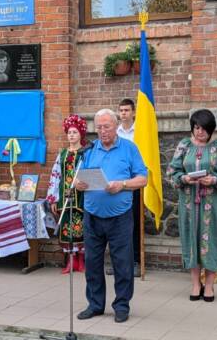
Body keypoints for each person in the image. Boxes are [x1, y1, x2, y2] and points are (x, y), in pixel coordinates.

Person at [75, 109, 147, 323]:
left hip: (120, 216)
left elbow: (142, 179)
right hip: (92, 215)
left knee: (122, 263)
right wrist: (79, 184)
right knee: (93, 262)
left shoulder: (129, 148)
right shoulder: (88, 151)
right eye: (99, 127)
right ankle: (95, 305)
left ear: (116, 126)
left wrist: (122, 184)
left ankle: (122, 305)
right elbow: (79, 179)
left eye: (107, 126)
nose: (103, 131)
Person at [167, 109, 217, 302]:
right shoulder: (184, 146)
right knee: (191, 240)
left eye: (204, 128)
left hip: (212, 206)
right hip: (188, 204)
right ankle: (196, 284)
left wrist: (213, 179)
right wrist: (184, 178)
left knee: (211, 241)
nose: (200, 132)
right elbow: (172, 172)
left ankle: (210, 286)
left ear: (211, 130)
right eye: (197, 127)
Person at [46, 114, 88, 274]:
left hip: (81, 198)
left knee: (80, 229)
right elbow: (55, 176)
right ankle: (70, 261)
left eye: (75, 132)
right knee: (66, 230)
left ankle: (81, 261)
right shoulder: (62, 155)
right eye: (69, 132)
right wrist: (53, 198)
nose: (71, 135)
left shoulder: (85, 153)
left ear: (81, 134)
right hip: (65, 199)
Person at [106, 98, 141, 277]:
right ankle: (117, 262)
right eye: (121, 110)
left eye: (127, 110)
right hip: (115, 185)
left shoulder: (139, 133)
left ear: (133, 112)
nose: (124, 113)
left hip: (133, 184)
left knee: (132, 224)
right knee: (115, 226)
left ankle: (135, 261)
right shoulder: (115, 133)